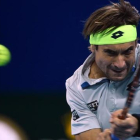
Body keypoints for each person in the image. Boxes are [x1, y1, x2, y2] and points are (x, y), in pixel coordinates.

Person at [66, 0, 140, 140]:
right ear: (94, 48)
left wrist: (136, 124)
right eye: (110, 53)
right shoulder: (75, 86)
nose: (120, 64)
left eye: (128, 51)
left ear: (136, 43)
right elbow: (88, 134)